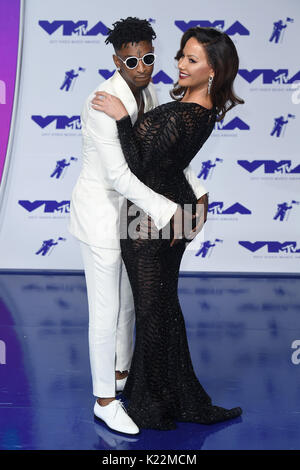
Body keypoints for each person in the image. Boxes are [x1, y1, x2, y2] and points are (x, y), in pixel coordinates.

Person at [91, 26, 245, 430]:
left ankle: (152, 401)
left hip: (150, 221)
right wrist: (194, 202)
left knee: (155, 309)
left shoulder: (188, 114)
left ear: (213, 71)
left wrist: (124, 121)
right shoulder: (199, 108)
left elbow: (139, 164)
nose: (180, 64)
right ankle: (171, 395)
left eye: (192, 60)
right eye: (180, 55)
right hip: (162, 213)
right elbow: (168, 162)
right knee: (162, 306)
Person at [68, 17, 208, 435]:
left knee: (129, 304)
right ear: (116, 60)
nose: (142, 66)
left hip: (133, 216)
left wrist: (199, 192)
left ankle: (122, 376)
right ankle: (104, 401)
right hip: (101, 215)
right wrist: (174, 215)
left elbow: (164, 157)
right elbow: (121, 176)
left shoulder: (146, 91)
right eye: (132, 61)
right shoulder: (102, 102)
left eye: (148, 57)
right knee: (106, 311)